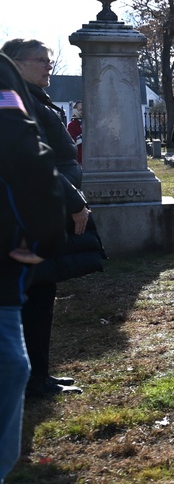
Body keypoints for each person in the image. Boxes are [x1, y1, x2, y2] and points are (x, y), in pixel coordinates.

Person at [3, 39, 89, 401]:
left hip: (44, 207)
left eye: (48, 61)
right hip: (35, 212)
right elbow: (38, 160)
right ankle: (31, 379)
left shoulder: (34, 98)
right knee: (34, 295)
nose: (47, 67)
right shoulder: (18, 101)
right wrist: (73, 202)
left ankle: (38, 374)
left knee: (42, 293)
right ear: (16, 64)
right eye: (40, 61)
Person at [0, 49, 66, 482]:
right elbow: (31, 155)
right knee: (10, 365)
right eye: (39, 59)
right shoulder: (6, 86)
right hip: (6, 258)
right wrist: (39, 232)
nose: (47, 66)